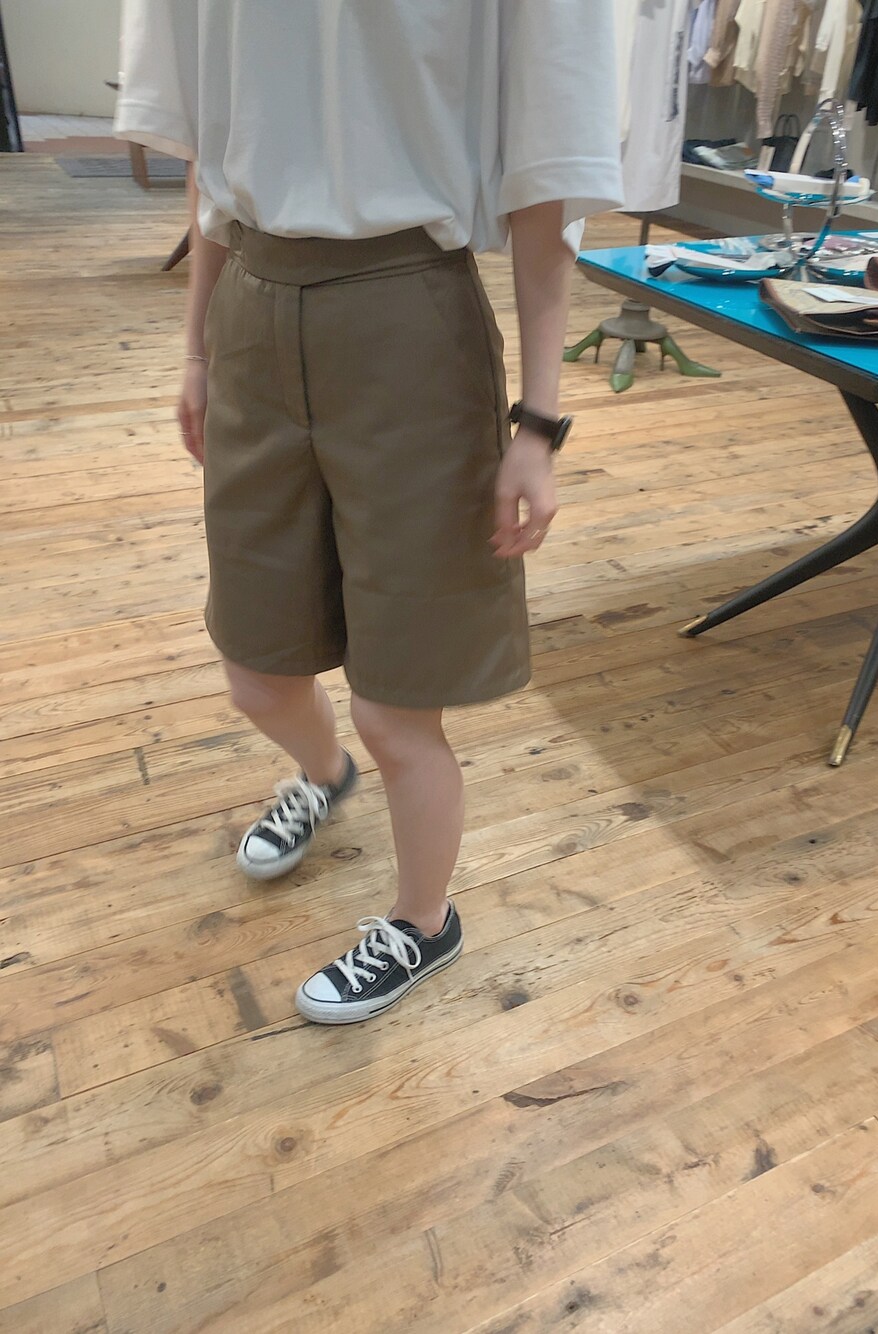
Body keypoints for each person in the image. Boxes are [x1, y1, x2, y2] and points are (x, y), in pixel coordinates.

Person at [115, 0, 623, 1025]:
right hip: (252, 298)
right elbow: (214, 144)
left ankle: (424, 920)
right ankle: (322, 772)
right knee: (257, 668)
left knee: (399, 701)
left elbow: (547, 174)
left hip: (409, 316)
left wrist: (538, 422)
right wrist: (196, 348)